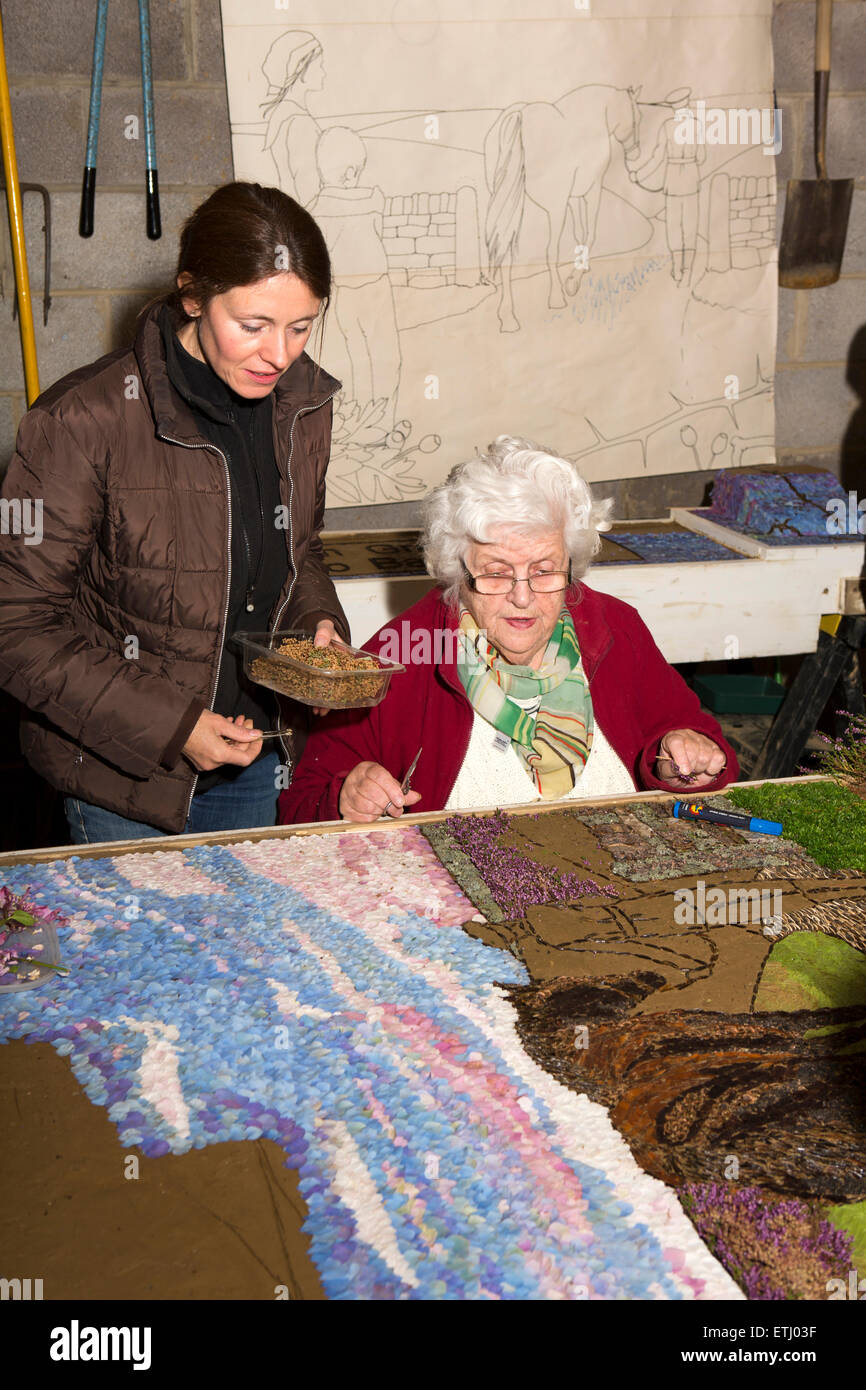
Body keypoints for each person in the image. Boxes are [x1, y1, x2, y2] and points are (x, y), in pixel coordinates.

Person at [0, 181, 348, 844]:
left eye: (301, 326)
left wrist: (316, 625)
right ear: (191, 295)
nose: (280, 355)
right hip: (126, 782)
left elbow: (300, 551)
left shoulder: (302, 403)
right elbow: (16, 626)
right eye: (252, 326)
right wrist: (174, 725)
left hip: (264, 758)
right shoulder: (83, 421)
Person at [279, 436, 738, 824]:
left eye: (544, 570)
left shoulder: (616, 628)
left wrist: (683, 765)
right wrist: (344, 797)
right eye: (497, 573)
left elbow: (705, 750)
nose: (522, 597)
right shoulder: (402, 652)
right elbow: (299, 804)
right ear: (458, 571)